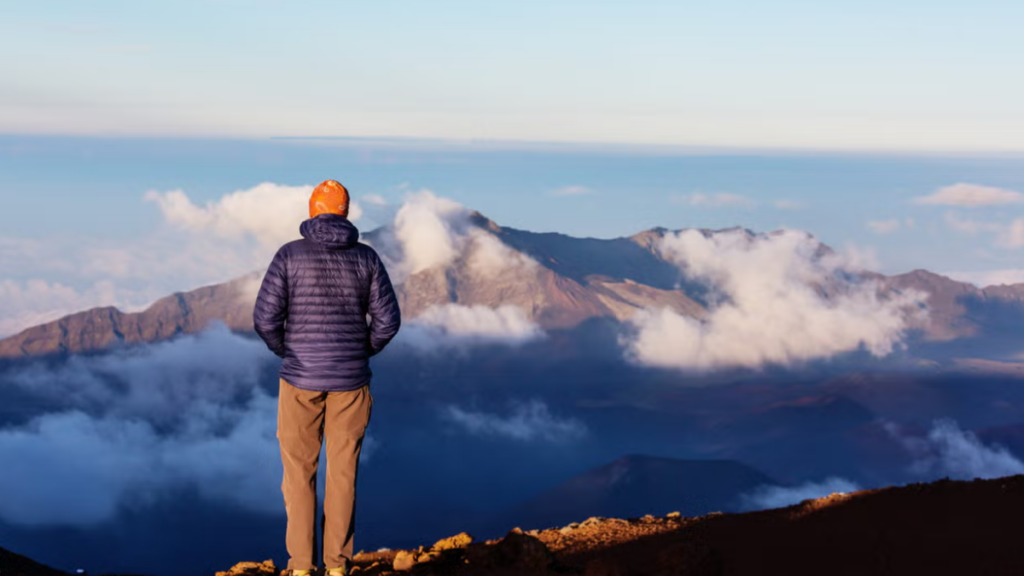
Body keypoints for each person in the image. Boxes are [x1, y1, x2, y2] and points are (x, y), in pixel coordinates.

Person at [253, 179, 401, 576]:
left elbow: (265, 319)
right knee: (342, 475)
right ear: (346, 212)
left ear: (312, 208)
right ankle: (337, 567)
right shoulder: (367, 259)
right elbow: (388, 322)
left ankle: (301, 567)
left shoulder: (289, 255)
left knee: (299, 476)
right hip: (352, 384)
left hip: (299, 381)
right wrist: (361, 350)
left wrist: (288, 352)